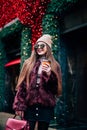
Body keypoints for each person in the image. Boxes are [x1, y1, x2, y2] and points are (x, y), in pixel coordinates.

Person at [13, 34, 62, 130]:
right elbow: (22, 86)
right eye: (37, 46)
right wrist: (19, 105)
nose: (39, 48)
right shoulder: (28, 63)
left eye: (42, 46)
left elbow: (56, 90)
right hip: (29, 105)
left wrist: (50, 75)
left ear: (48, 47)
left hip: (46, 107)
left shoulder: (55, 65)